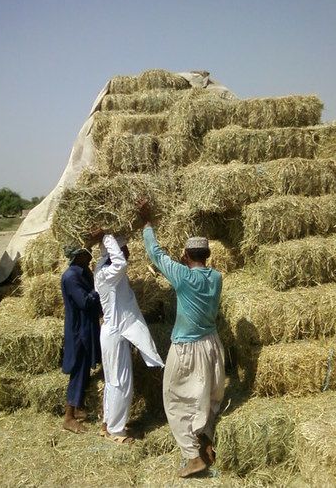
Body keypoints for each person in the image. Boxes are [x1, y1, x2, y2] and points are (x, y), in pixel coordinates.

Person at [139, 202, 225, 478]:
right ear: (208, 255)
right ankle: (206, 440)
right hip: (212, 345)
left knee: (175, 398)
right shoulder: (217, 278)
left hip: (187, 347)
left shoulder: (183, 276)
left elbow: (156, 254)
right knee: (207, 397)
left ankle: (192, 456)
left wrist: (147, 224)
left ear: (186, 254)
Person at [94, 233, 164, 444]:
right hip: (114, 333)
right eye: (124, 248)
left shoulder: (104, 270)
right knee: (120, 383)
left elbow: (121, 262)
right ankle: (116, 430)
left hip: (114, 331)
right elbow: (121, 263)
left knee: (113, 381)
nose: (128, 252)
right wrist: (106, 236)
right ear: (115, 251)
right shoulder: (108, 273)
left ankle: (108, 424)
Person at [61, 245, 102, 434]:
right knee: (78, 370)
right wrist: (100, 290)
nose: (89, 254)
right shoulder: (71, 277)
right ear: (77, 256)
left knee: (84, 368)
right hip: (79, 331)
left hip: (87, 327)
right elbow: (84, 301)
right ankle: (68, 417)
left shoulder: (83, 272)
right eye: (85, 252)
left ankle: (78, 407)